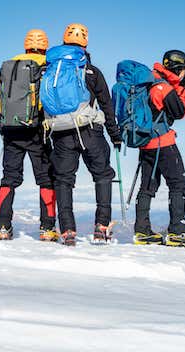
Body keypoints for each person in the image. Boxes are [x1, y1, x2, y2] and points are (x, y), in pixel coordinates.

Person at [48, 23, 123, 246]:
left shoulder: (51, 70)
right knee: (102, 175)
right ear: (85, 44)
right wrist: (115, 134)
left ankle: (67, 231)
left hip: (60, 132)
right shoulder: (92, 71)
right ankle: (101, 227)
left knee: (63, 180)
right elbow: (106, 106)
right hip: (90, 131)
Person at [0, 29, 58, 241]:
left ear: (25, 44)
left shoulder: (10, 65)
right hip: (38, 130)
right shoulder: (48, 64)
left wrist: (3, 128)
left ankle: (2, 226)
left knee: (9, 178)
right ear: (45, 44)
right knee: (46, 178)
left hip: (11, 129)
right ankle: (47, 228)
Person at [133, 50, 185, 249]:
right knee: (178, 183)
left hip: (146, 143)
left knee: (147, 186)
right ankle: (177, 230)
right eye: (184, 70)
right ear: (178, 69)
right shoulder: (163, 87)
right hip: (163, 142)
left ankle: (142, 230)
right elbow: (179, 112)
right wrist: (182, 87)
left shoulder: (151, 81)